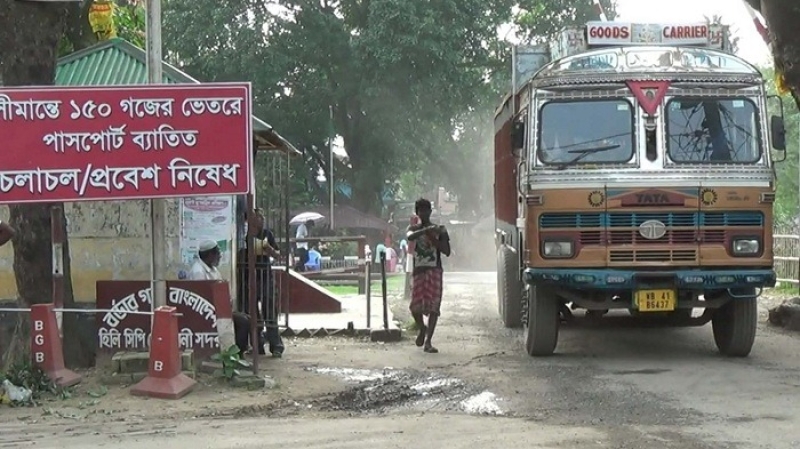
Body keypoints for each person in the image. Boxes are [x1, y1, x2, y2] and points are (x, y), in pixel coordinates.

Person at [406, 198, 450, 354]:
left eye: (426, 210)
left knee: (434, 308)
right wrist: (425, 230)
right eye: (421, 211)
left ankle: (428, 341)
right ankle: (422, 328)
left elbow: (447, 251)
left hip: (435, 270)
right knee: (414, 307)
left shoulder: (440, 230)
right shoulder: (413, 229)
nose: (424, 213)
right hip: (419, 271)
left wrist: (432, 236)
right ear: (417, 213)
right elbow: (410, 236)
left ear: (430, 212)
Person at [239, 210, 285, 357]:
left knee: (270, 313)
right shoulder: (242, 234)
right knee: (252, 314)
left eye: (261, 218)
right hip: (248, 278)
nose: (260, 220)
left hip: (265, 276)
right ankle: (257, 345)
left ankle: (276, 346)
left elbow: (278, 255)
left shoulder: (266, 234)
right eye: (256, 217)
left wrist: (268, 249)